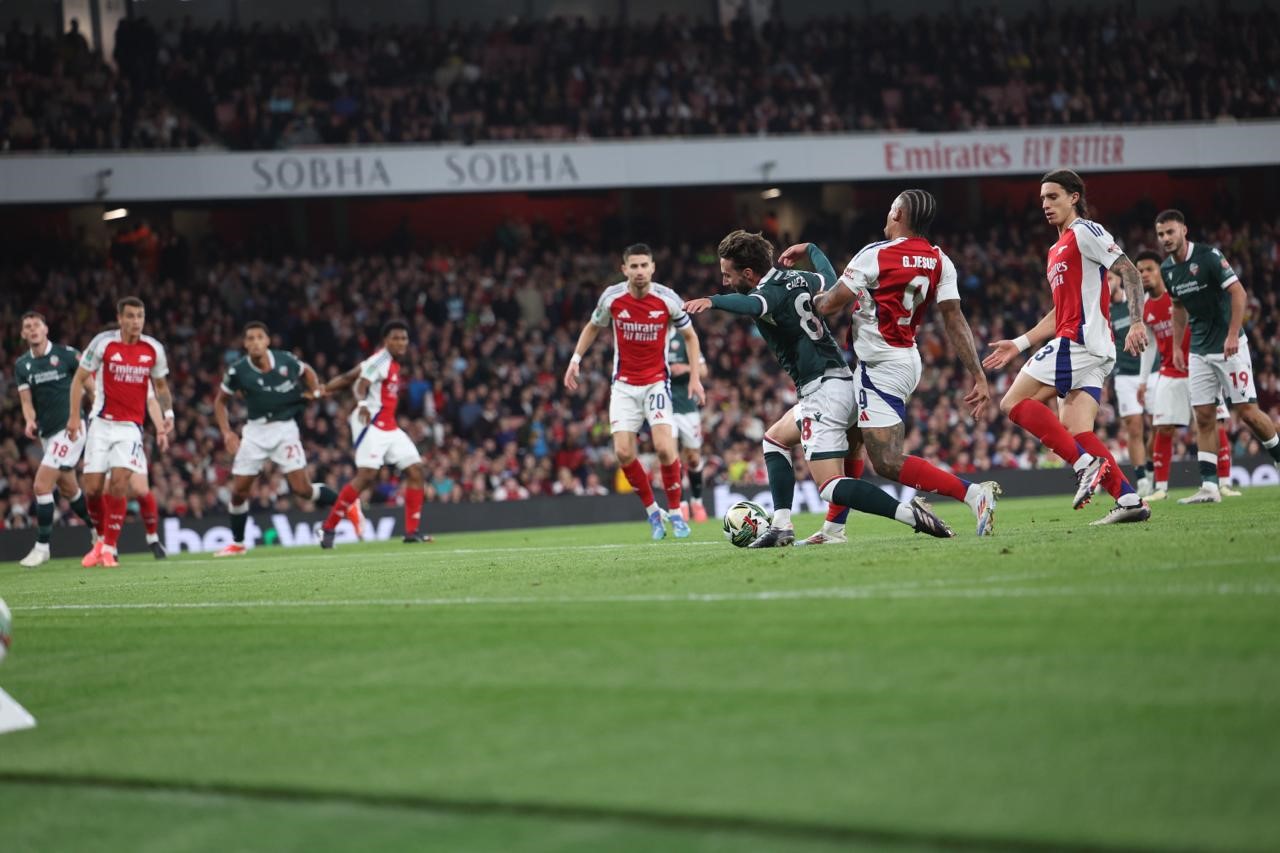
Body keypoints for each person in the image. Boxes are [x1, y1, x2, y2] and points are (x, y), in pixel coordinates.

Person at [685, 229, 954, 547]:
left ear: (747, 272)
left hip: (822, 392)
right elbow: (828, 276)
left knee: (829, 486)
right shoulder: (801, 279)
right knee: (774, 440)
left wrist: (712, 301)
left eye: (727, 275)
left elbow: (751, 306)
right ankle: (782, 525)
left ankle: (910, 515)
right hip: (843, 381)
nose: (726, 282)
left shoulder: (767, 292)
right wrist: (811, 248)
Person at [796, 189, 1001, 538]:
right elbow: (954, 319)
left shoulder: (875, 255)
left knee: (887, 462)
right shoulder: (939, 259)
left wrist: (808, 297)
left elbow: (830, 305)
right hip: (904, 358)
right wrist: (978, 375)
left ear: (897, 214)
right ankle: (833, 527)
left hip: (882, 367)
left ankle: (971, 493)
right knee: (852, 437)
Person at [983, 169, 1150, 525]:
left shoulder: (1085, 231)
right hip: (1091, 348)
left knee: (1013, 402)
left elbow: (1130, 272)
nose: (1045, 204)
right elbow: (1060, 310)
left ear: (1074, 197)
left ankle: (1083, 465)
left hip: (1078, 342)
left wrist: (1136, 320)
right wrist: (1020, 342)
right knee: (1077, 431)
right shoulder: (1055, 250)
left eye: (1053, 196)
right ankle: (1130, 499)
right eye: (1042, 198)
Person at [563, 243, 706, 540]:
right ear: (624, 269)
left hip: (656, 383)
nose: (640, 271)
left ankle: (677, 514)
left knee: (666, 449)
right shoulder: (613, 297)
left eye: (644, 265)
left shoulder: (667, 299)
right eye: (634, 266)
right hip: (624, 386)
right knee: (623, 452)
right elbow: (593, 326)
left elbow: (690, 337)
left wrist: (695, 377)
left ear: (653, 267)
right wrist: (575, 360)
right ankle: (654, 513)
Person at [1157, 209, 1280, 501]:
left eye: (1170, 232)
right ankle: (1210, 486)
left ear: (1184, 230)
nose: (1165, 239)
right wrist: (1177, 346)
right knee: (1204, 416)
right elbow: (1177, 308)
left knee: (1247, 413)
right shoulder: (1167, 270)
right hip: (1199, 350)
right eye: (1161, 234)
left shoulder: (1209, 257)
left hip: (1229, 345)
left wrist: (1233, 334)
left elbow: (1239, 294)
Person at [212, 322, 344, 557]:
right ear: (244, 344)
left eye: (259, 337)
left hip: (284, 430)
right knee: (239, 492)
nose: (255, 342)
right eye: (250, 339)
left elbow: (308, 372)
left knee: (302, 490)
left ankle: (348, 504)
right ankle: (238, 544)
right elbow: (220, 402)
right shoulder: (237, 371)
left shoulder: (286, 360)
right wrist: (227, 432)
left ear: (267, 341)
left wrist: (314, 390)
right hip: (254, 433)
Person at [68, 296, 174, 567]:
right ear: (120, 318)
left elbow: (159, 389)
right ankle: (101, 540)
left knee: (121, 484)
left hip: (130, 428)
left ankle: (111, 548)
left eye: (140, 316)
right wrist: (73, 417)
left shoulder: (153, 349)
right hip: (101, 424)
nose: (136, 321)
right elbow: (80, 379)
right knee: (91, 489)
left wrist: (167, 416)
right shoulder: (104, 343)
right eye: (130, 316)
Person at [1135, 251, 1241, 500]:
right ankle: (1160, 489)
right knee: (1163, 427)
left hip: (1199, 367)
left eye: (1149, 269)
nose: (1144, 275)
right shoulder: (1146, 308)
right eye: (1140, 271)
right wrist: (1142, 381)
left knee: (1214, 422)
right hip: (1169, 373)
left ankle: (1224, 482)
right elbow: (1149, 347)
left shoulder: (1183, 296)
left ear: (1161, 270)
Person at [317, 321, 430, 548]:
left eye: (404, 338)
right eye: (395, 338)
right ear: (386, 341)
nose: (400, 342)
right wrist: (362, 403)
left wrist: (324, 389)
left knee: (416, 470)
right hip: (371, 422)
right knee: (366, 476)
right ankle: (328, 528)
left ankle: (411, 532)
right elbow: (361, 385)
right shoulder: (380, 360)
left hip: (390, 426)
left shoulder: (392, 364)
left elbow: (351, 376)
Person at [14, 311, 96, 567]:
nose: (33, 329)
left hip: (72, 428)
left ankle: (42, 546)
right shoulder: (22, 365)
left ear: (46, 329)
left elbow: (91, 387)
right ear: (23, 334)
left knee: (41, 485)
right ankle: (100, 532)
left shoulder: (67, 355)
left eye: (37, 324)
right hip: (47, 434)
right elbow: (26, 402)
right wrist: (29, 420)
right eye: (28, 326)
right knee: (70, 489)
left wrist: (95, 418)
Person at [1107, 268, 1151, 495]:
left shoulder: (1135, 302)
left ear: (1119, 280)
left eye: (1110, 278)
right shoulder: (1105, 311)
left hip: (1150, 370)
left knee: (1158, 425)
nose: (1107, 282)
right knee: (1134, 427)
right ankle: (1142, 478)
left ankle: (1153, 468)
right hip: (1124, 374)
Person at [667, 327, 709, 522]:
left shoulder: (684, 337)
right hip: (663, 406)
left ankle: (697, 502)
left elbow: (703, 370)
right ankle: (680, 505)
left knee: (692, 458)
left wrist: (684, 368)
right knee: (671, 456)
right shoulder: (653, 335)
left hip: (687, 405)